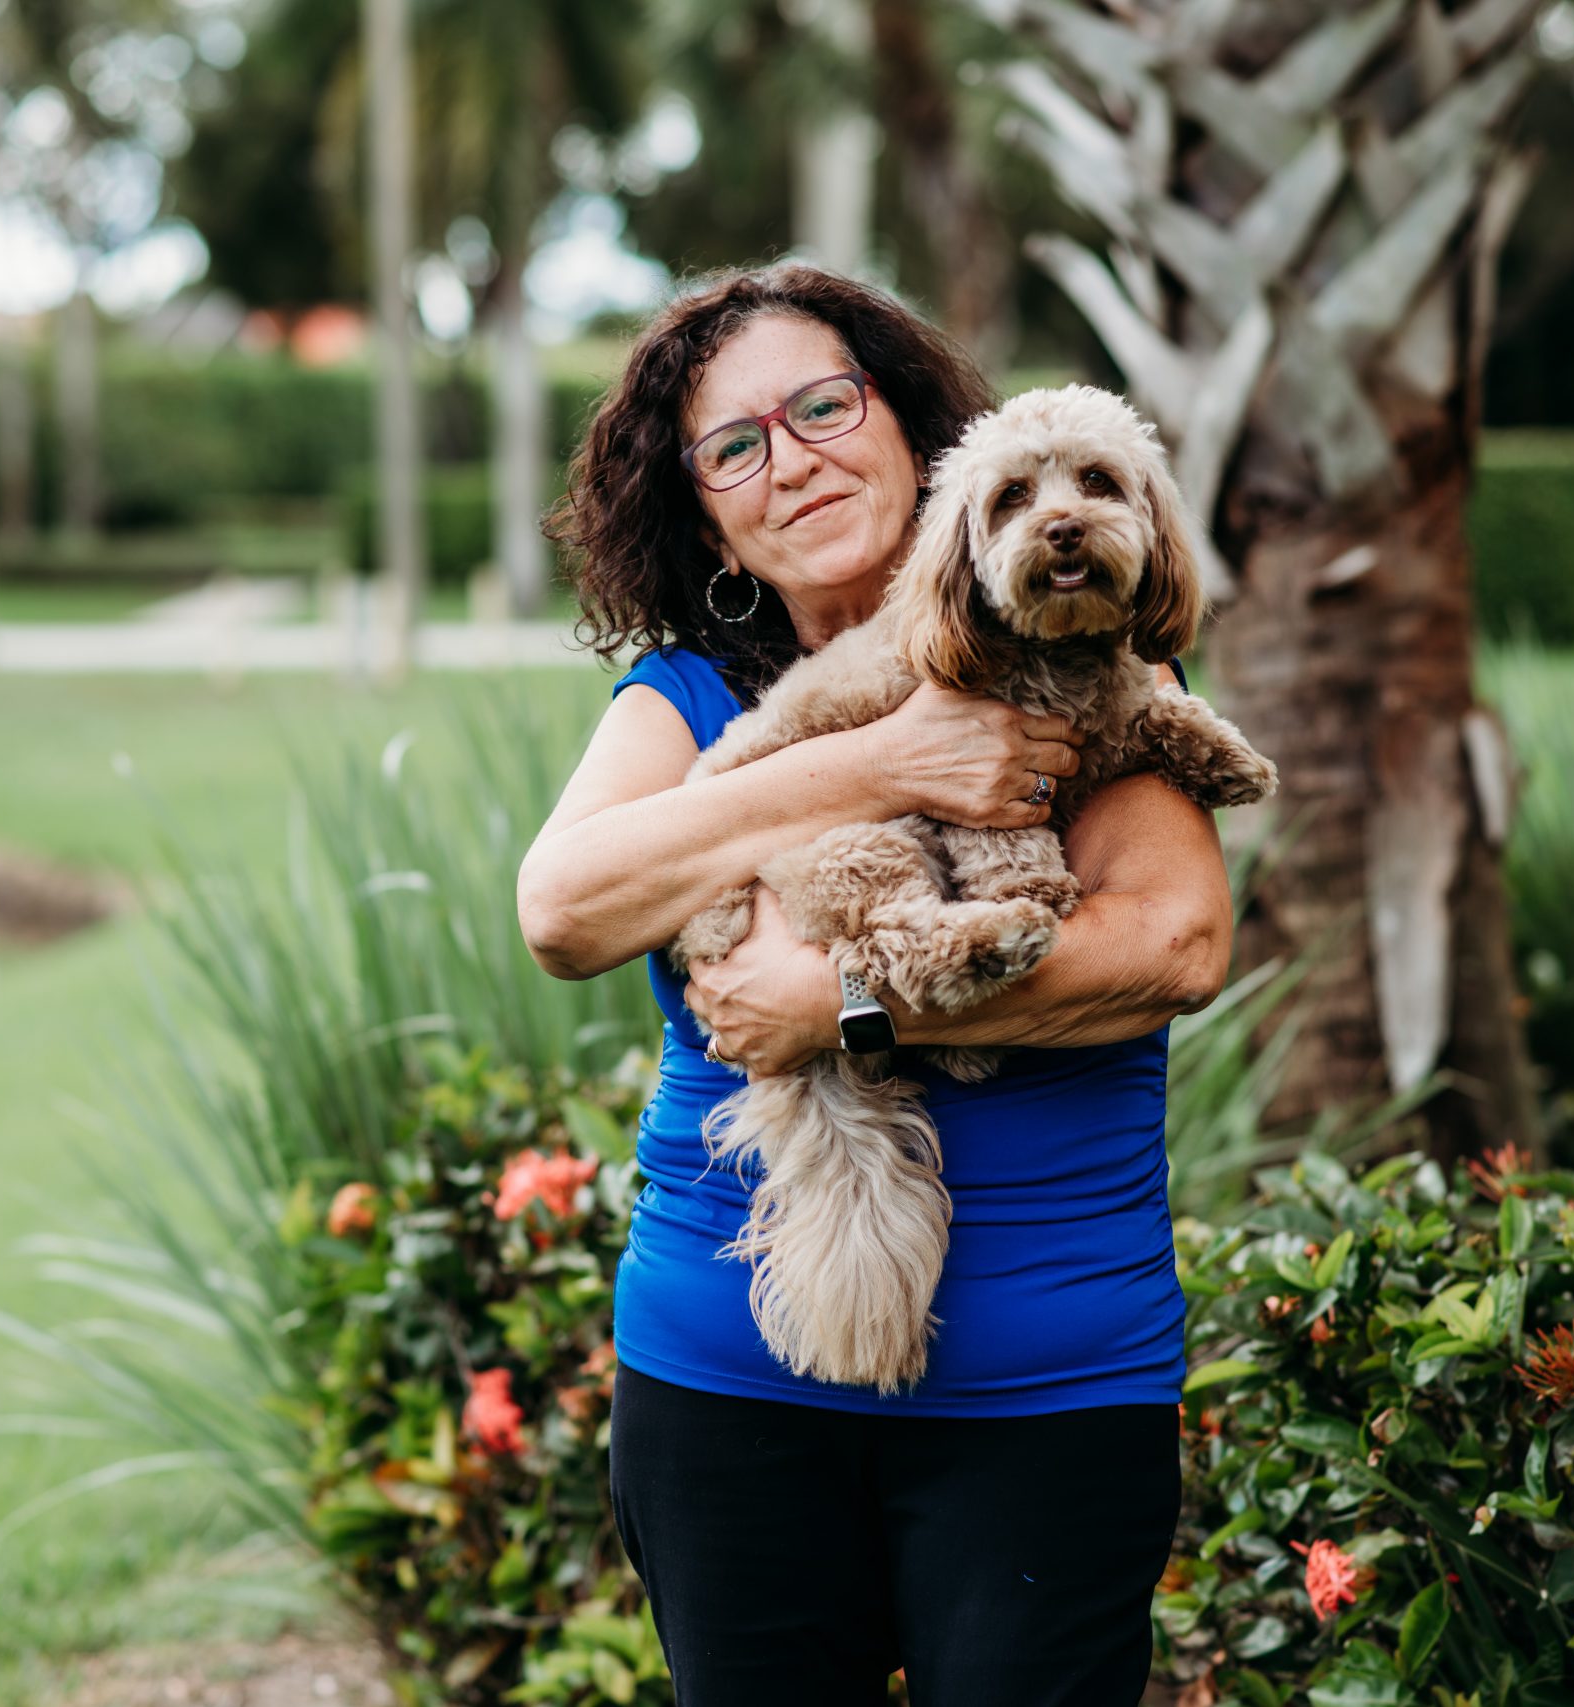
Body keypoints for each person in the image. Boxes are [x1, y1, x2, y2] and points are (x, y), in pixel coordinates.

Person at [515, 262, 1236, 1706]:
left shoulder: (1071, 657)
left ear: (913, 430)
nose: (792, 459)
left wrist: (847, 1005)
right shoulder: (686, 697)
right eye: (736, 447)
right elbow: (566, 910)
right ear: (708, 514)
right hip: (726, 1377)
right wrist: (875, 763)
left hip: (1049, 1384)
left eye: (824, 405)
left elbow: (1171, 947)